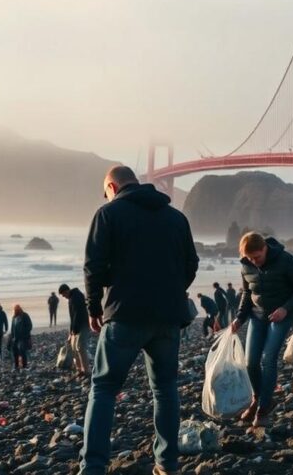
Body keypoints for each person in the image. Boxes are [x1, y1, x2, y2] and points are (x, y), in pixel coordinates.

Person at [80, 165, 199, 475]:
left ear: (111, 185)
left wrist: (94, 308)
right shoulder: (176, 218)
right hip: (168, 318)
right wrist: (172, 292)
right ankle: (167, 465)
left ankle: (93, 468)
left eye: (104, 191)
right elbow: (191, 264)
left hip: (125, 314)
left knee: (104, 389)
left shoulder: (108, 214)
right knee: (165, 389)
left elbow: (93, 267)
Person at [231, 232, 293, 427]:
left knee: (269, 358)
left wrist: (285, 309)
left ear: (265, 248)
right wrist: (240, 318)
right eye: (250, 258)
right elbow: (247, 292)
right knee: (250, 362)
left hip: (282, 316)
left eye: (257, 257)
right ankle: (257, 398)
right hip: (257, 317)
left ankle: (264, 407)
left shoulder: (285, 260)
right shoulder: (246, 264)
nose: (254, 262)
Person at [60, 283, 91, 378]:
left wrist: (74, 330)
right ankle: (79, 369)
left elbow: (77, 315)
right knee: (74, 348)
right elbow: (72, 317)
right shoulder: (72, 298)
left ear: (67, 290)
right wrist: (71, 332)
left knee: (80, 348)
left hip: (82, 326)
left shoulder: (76, 297)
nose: (64, 297)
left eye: (63, 294)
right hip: (76, 327)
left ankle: (86, 370)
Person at [9, 304, 33, 370]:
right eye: (15, 309)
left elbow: (30, 326)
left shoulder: (25, 316)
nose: (16, 310)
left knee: (22, 352)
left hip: (23, 338)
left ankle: (24, 366)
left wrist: (24, 334)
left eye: (17, 309)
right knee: (15, 352)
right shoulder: (14, 317)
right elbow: (12, 328)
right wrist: (11, 337)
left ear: (19, 309)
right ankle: (16, 366)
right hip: (15, 338)